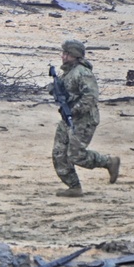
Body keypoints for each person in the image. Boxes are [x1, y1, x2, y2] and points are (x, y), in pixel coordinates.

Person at [50, 39, 120, 197]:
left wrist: (74, 110)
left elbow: (91, 97)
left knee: (76, 155)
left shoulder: (83, 73)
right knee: (59, 153)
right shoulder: (68, 71)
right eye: (63, 53)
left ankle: (108, 162)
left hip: (83, 119)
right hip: (68, 118)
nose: (63, 56)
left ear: (74, 55)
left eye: (67, 54)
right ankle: (74, 187)